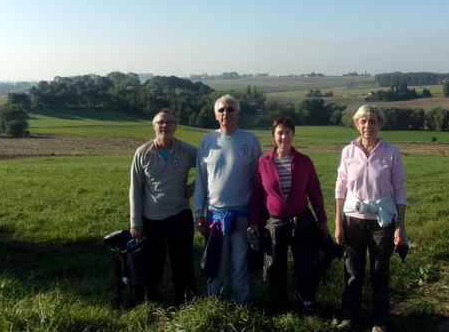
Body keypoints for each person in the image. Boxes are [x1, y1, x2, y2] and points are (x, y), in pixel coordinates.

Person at [334, 105, 407, 332]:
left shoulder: (391, 152)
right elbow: (340, 186)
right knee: (353, 272)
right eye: (363, 121)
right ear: (356, 124)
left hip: (381, 221)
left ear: (380, 124)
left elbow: (400, 188)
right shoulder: (348, 152)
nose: (368, 126)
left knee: (379, 272)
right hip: (352, 219)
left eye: (373, 121)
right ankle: (350, 316)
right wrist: (338, 221)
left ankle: (379, 320)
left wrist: (400, 225)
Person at [249, 117, 328, 313]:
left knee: (304, 262)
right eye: (280, 133)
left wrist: (322, 219)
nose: (284, 137)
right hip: (275, 221)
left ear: (293, 134)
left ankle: (307, 300)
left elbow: (315, 191)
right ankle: (279, 301)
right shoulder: (263, 162)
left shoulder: (304, 161)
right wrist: (253, 221)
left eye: (288, 132)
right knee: (275, 263)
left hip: (301, 219)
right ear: (274, 136)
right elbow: (257, 194)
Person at [194, 94, 262, 304]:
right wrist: (198, 213)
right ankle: (216, 305)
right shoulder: (207, 141)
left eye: (230, 109)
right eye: (221, 110)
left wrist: (256, 217)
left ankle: (243, 305)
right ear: (215, 115)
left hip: (242, 215)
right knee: (217, 263)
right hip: (215, 215)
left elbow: (258, 181)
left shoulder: (250, 140)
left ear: (238, 114)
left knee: (240, 263)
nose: (226, 113)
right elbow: (201, 180)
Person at [129, 109, 197, 304]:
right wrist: (136, 222)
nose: (164, 126)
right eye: (160, 122)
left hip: (180, 215)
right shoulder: (143, 153)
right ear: (154, 126)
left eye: (169, 122)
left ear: (176, 126)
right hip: (152, 218)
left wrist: (192, 188)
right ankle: (150, 301)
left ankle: (187, 301)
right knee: (152, 263)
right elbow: (135, 189)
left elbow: (207, 166)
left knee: (182, 261)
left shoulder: (186, 150)